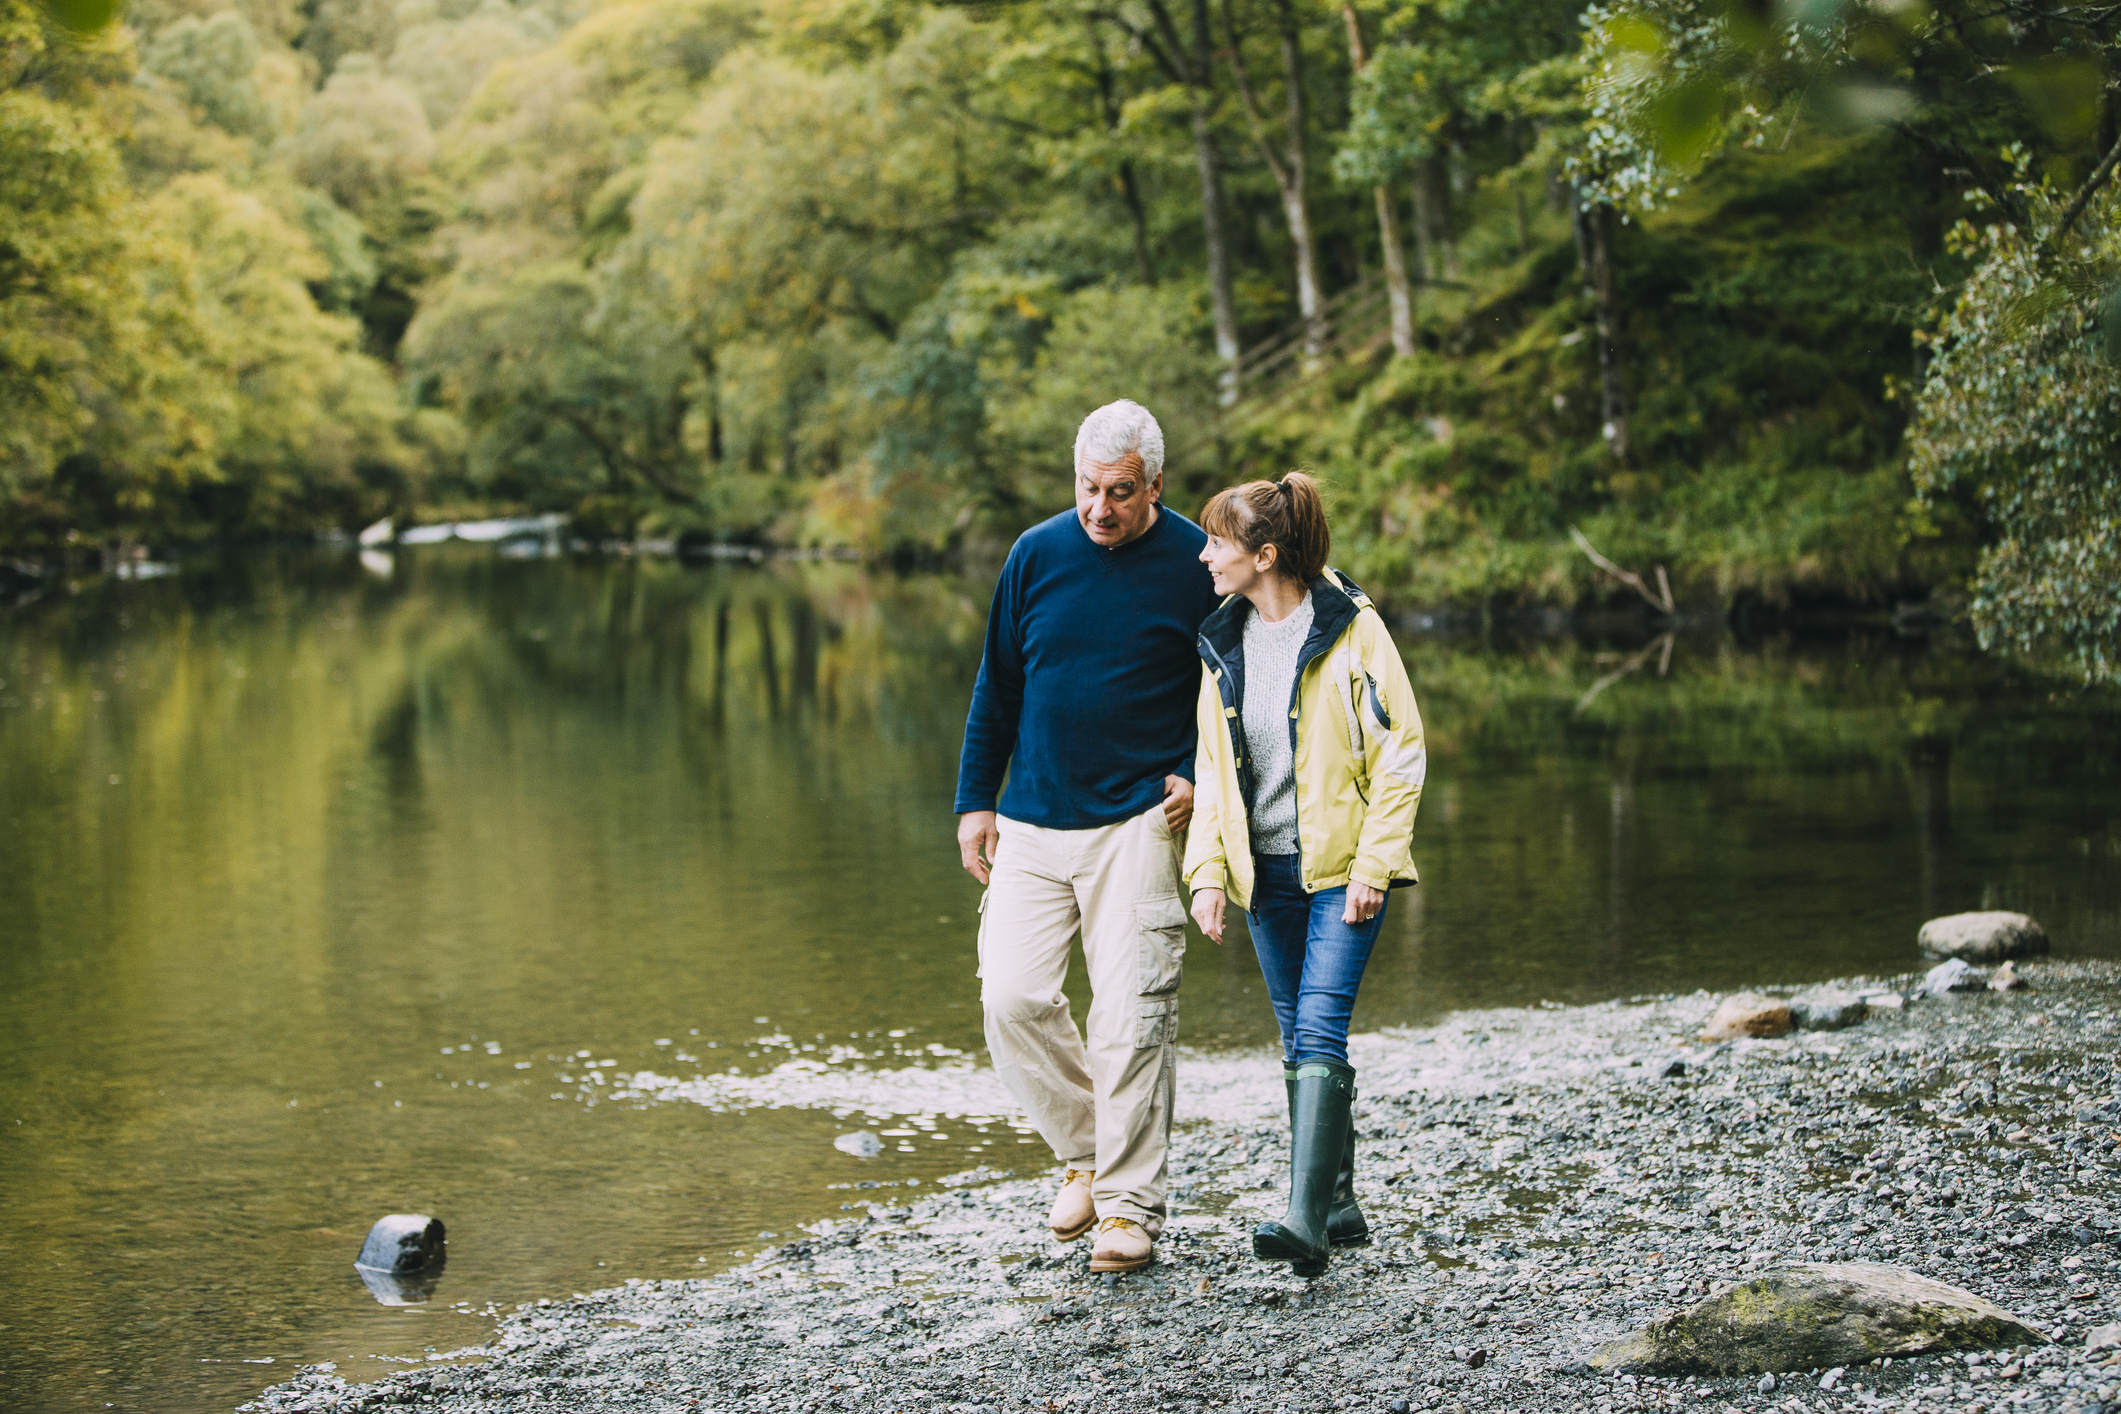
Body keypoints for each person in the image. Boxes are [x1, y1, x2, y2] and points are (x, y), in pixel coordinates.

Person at [955, 400, 1224, 1274]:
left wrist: (1195, 769)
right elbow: (997, 682)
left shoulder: (1194, 561)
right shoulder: (1035, 554)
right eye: (1086, 489)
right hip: (1031, 818)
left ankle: (1128, 1210)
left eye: (1119, 493)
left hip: (1138, 820)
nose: (1099, 510)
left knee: (1132, 1015)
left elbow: (1226, 687)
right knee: (1012, 998)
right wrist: (974, 800)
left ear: (1155, 484)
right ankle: (1085, 1149)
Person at [1183, 472, 1426, 1278]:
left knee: (1318, 1027)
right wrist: (1208, 875)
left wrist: (1375, 862)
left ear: (1264, 554)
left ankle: (1302, 1222)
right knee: (1297, 1037)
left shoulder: (1353, 630)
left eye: (1218, 541)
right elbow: (1213, 775)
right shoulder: (1222, 643)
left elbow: (1402, 752)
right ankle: (1340, 1201)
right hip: (1265, 876)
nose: (1204, 554)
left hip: (1341, 872)